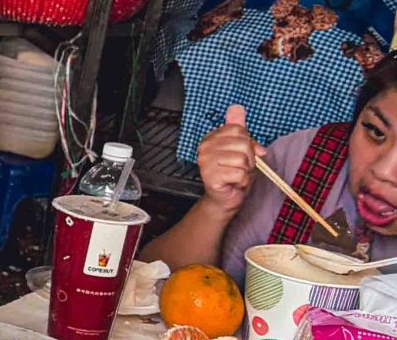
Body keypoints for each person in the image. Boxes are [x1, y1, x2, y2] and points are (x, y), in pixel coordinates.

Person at [143, 65, 397, 278]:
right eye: (375, 131)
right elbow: (150, 281)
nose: (384, 171)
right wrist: (218, 206)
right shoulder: (306, 159)